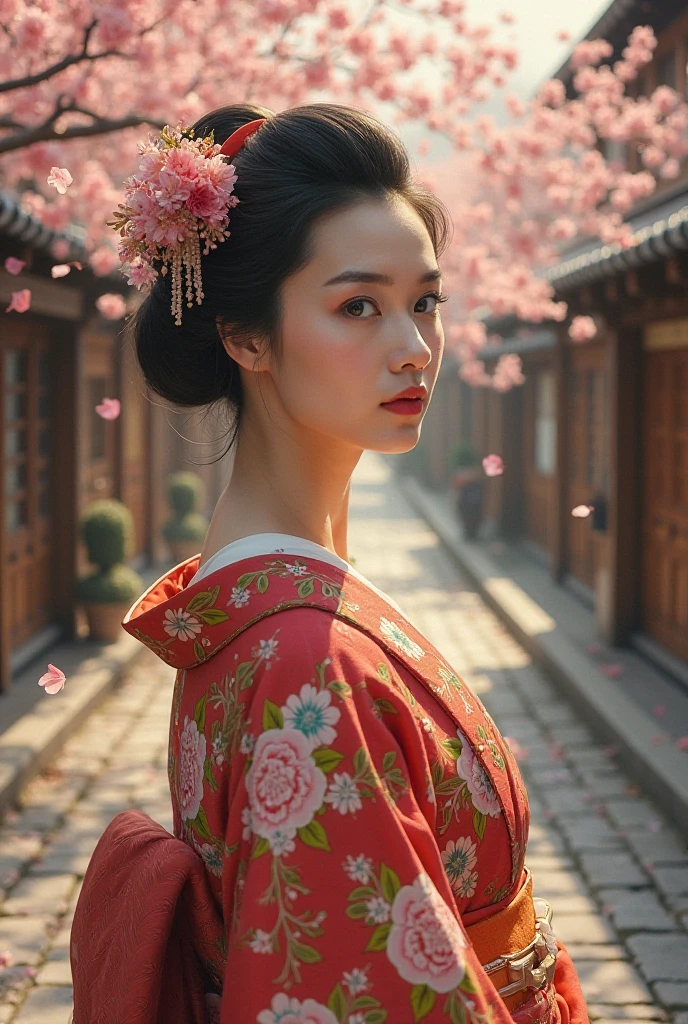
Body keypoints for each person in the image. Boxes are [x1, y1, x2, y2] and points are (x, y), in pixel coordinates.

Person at [70, 103, 589, 1024]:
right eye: (359, 306)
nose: (413, 347)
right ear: (246, 337)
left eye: (423, 301)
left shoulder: (260, 600)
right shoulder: (309, 659)